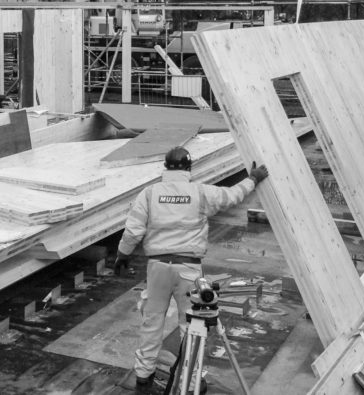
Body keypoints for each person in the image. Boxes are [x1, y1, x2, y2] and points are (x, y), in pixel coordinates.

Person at [113, 147, 268, 393]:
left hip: (158, 268)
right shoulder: (200, 193)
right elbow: (232, 196)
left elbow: (133, 231)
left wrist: (122, 255)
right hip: (189, 270)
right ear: (188, 168)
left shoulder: (150, 194)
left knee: (152, 321)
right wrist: (254, 178)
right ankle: (192, 379)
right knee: (192, 325)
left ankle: (143, 378)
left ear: (165, 167)